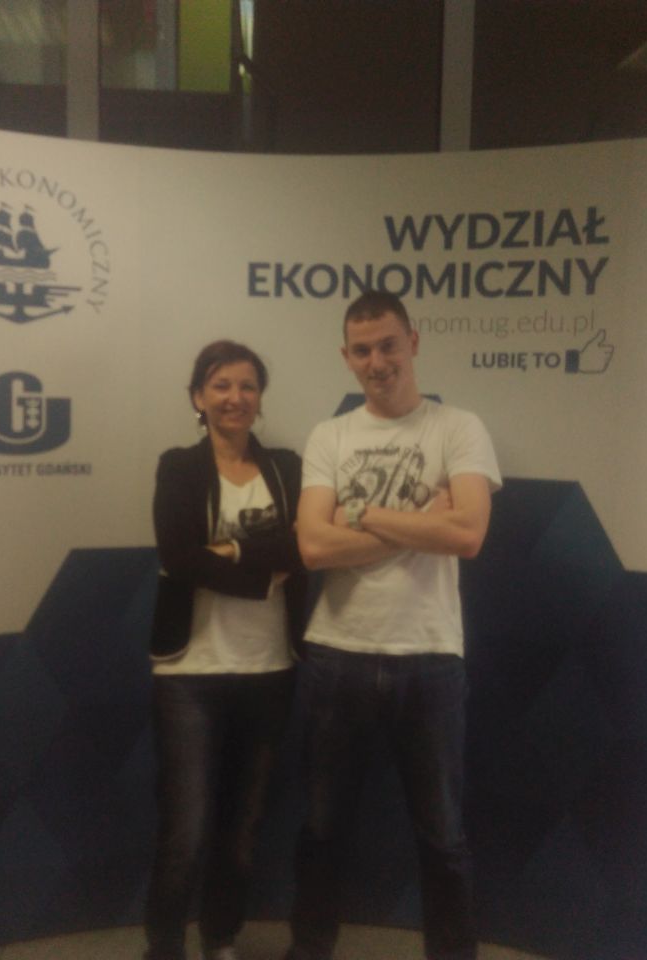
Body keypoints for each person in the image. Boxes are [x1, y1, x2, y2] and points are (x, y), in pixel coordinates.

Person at [286, 291, 501, 960]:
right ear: (346, 357)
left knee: (443, 838)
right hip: (336, 654)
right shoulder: (330, 435)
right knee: (322, 829)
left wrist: (361, 515)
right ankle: (309, 951)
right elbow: (312, 548)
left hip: (429, 656)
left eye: (387, 344)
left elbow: (467, 535)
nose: (377, 361)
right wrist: (419, 522)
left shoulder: (458, 428)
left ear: (414, 341)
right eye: (362, 350)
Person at [145, 340, 308, 960]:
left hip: (269, 670)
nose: (234, 397)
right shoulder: (178, 468)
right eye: (220, 385)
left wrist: (233, 550)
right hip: (190, 672)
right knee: (185, 831)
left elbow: (305, 548)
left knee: (242, 830)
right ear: (198, 397)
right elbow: (179, 558)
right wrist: (266, 576)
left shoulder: (287, 469)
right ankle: (164, 949)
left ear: (259, 398)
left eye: (246, 386)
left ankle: (220, 941)